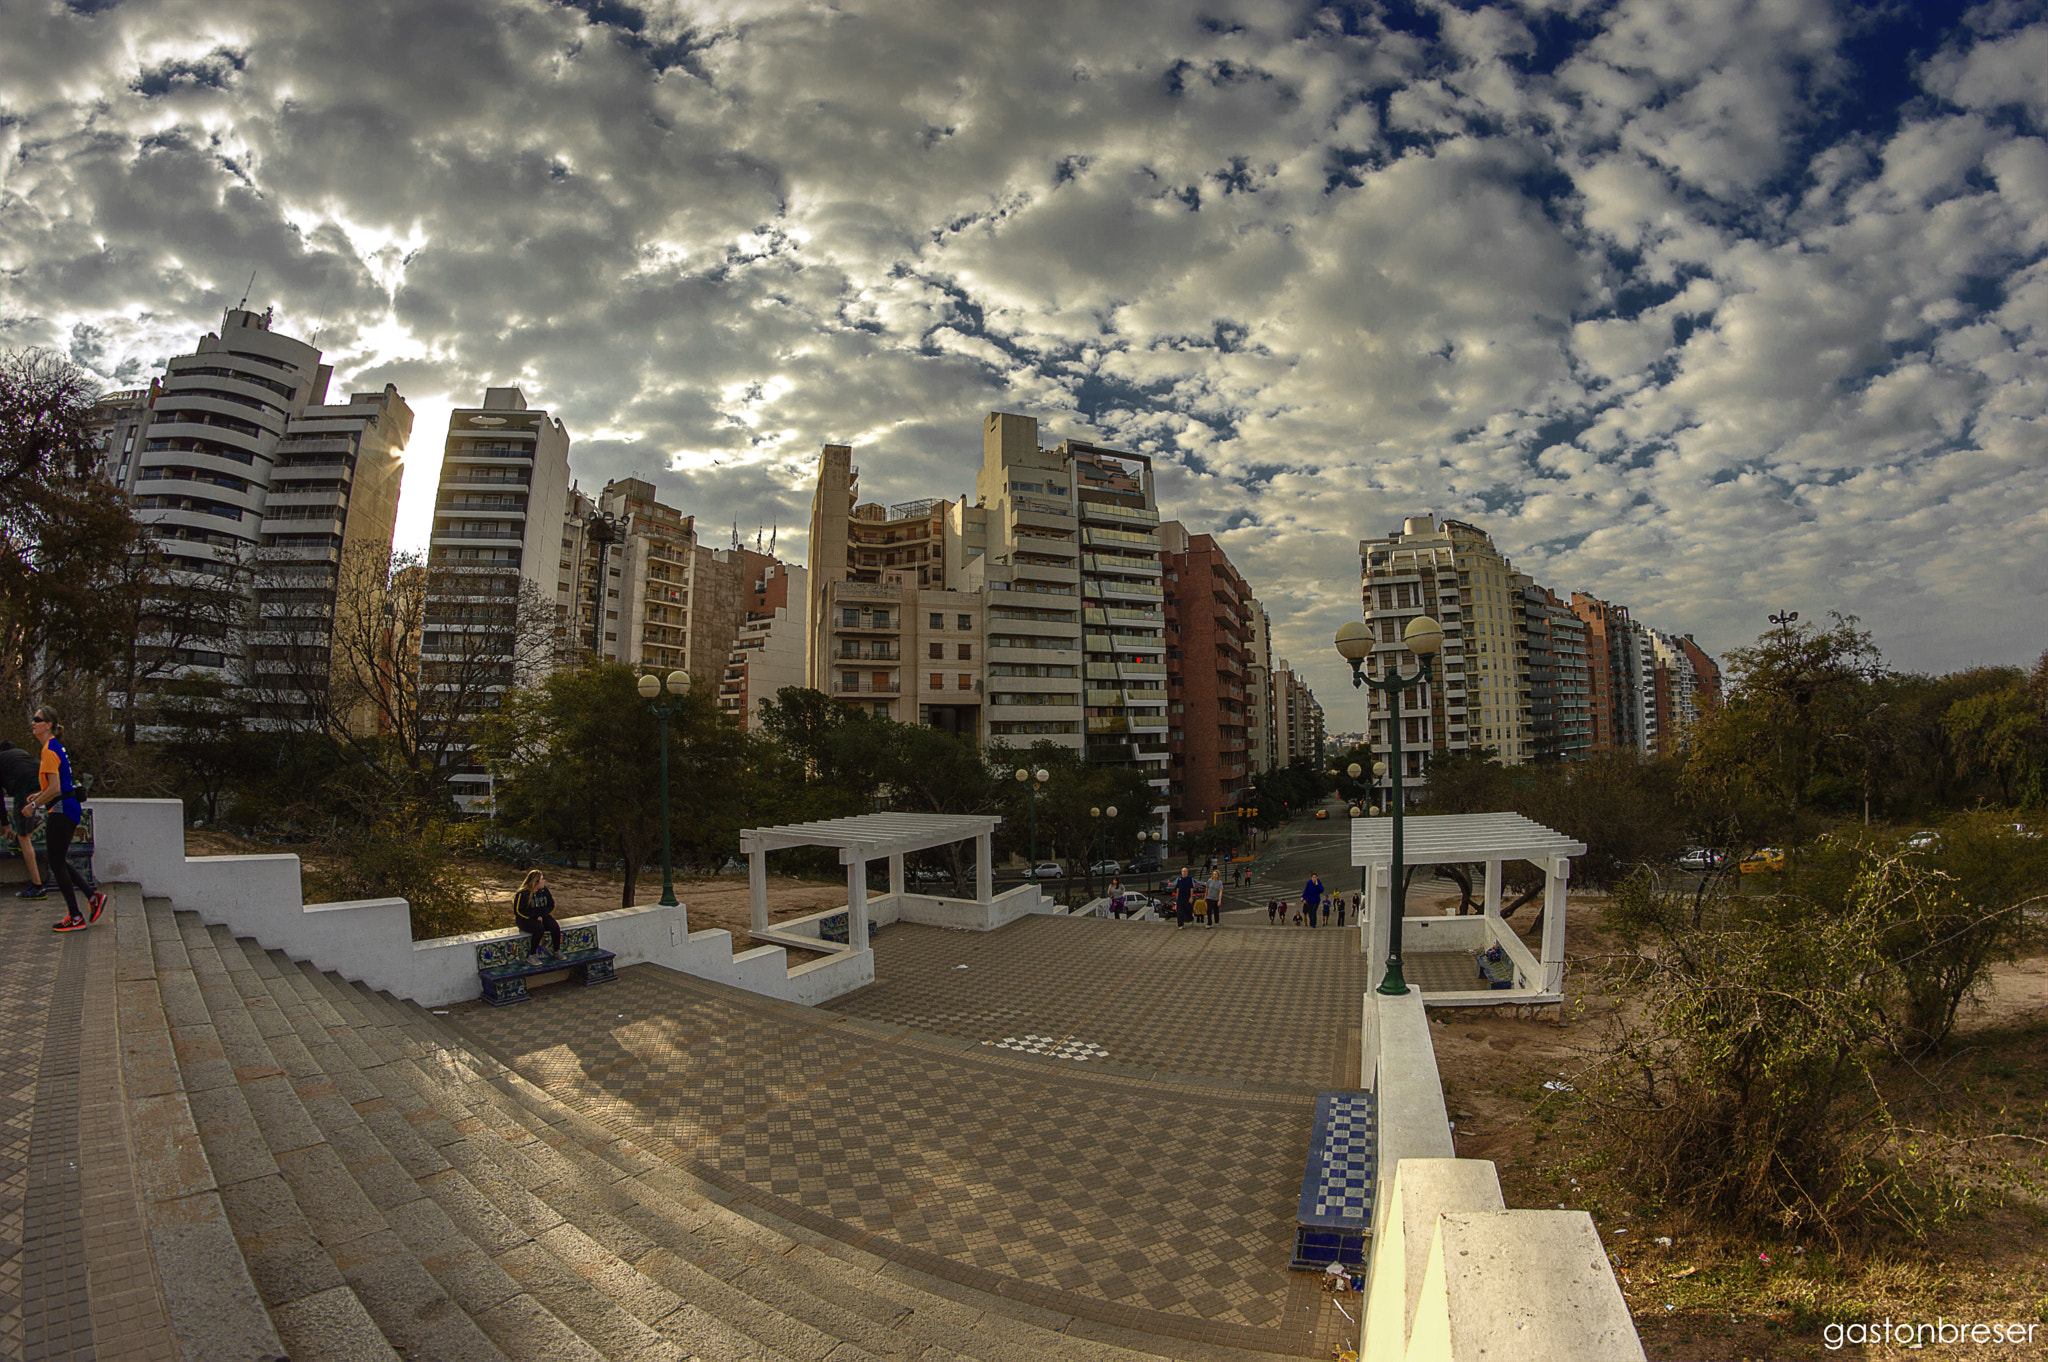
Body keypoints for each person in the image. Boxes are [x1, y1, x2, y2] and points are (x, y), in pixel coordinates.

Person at [24, 708, 101, 930]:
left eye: (37, 720)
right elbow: (57, 785)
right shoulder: (55, 747)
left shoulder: (49, 750)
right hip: (67, 807)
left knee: (56, 862)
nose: (33, 723)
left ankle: (76, 916)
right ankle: (91, 897)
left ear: (48, 724)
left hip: (61, 810)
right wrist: (38, 795)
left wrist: (32, 805)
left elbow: (56, 788)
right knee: (58, 861)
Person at [0, 739, 44, 898]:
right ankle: (19, 839)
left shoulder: (2, 760)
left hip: (24, 790)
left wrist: (5, 825)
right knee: (24, 832)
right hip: (44, 787)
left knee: (24, 838)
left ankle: (37, 887)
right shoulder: (23, 754)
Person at [512, 869, 563, 960]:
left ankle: (557, 950)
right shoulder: (522, 894)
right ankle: (532, 955)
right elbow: (518, 911)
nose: (544, 881)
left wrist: (543, 915)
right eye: (542, 879)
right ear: (536, 882)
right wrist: (534, 917)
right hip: (525, 919)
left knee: (554, 926)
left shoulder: (544, 891)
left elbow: (551, 905)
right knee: (539, 929)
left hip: (541, 915)